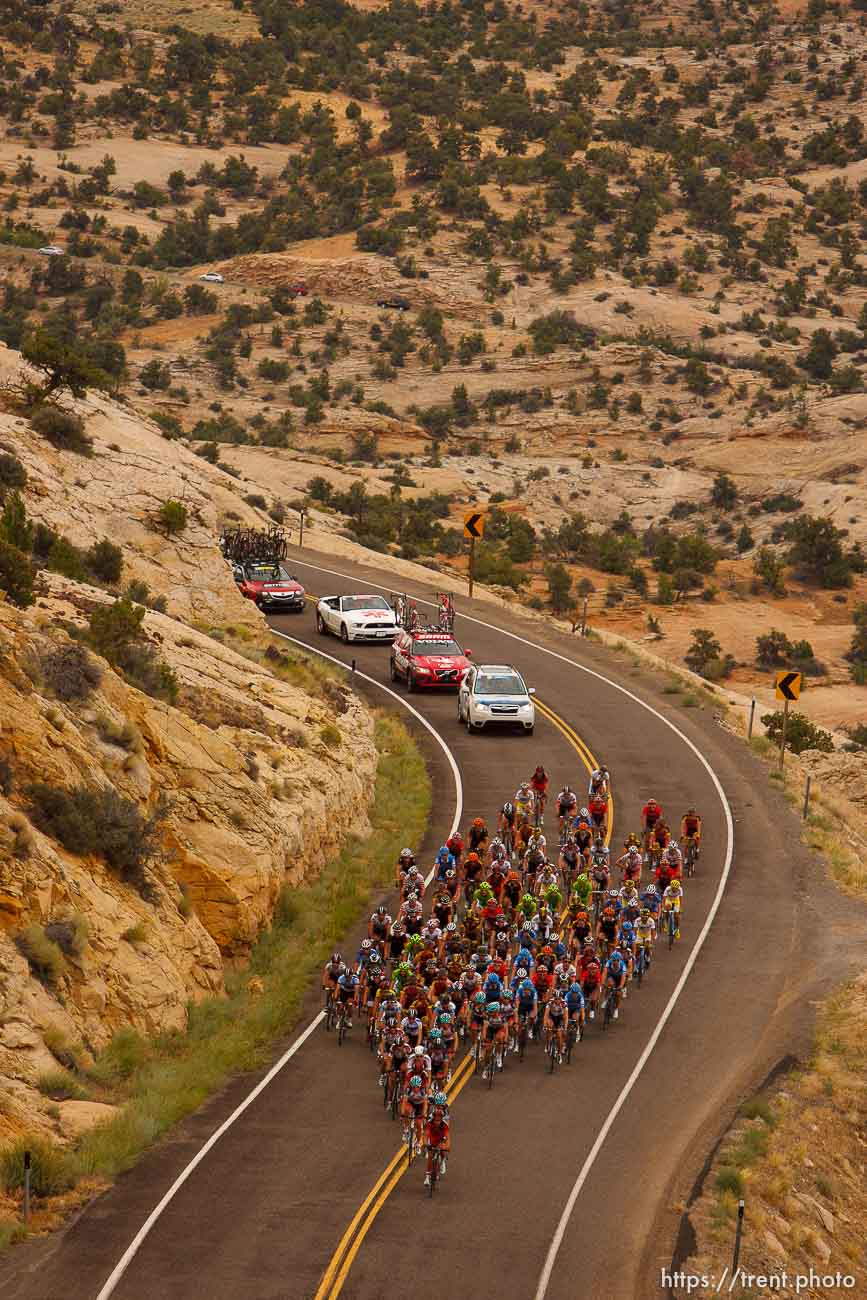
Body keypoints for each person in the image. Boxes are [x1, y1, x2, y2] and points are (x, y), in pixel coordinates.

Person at [424, 1092, 451, 1187]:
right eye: (437, 1105)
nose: (439, 1107)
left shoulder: (446, 1110)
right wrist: (426, 1143)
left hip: (442, 1129)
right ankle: (427, 1177)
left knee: (443, 1149)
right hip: (432, 1129)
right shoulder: (432, 1108)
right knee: (430, 1155)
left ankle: (443, 1160)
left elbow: (447, 1124)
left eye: (441, 1105)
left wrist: (445, 1141)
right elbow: (428, 1122)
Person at [603, 947, 628, 1020]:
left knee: (618, 994)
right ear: (611, 959)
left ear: (619, 960)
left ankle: (616, 1009)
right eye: (614, 960)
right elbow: (604, 973)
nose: (615, 962)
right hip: (612, 976)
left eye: (617, 960)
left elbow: (623, 977)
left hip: (619, 979)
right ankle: (605, 1000)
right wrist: (602, 982)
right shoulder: (608, 962)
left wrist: (620, 986)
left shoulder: (623, 966)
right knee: (609, 984)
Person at [543, 990, 568, 1061]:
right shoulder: (550, 1003)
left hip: (560, 1019)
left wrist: (565, 1027)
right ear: (553, 998)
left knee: (559, 1035)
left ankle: (559, 1053)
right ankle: (548, 1044)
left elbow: (566, 1017)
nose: (557, 1000)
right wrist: (544, 1025)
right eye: (556, 998)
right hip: (552, 1018)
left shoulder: (564, 1003)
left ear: (561, 998)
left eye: (559, 998)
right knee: (549, 1026)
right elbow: (546, 1015)